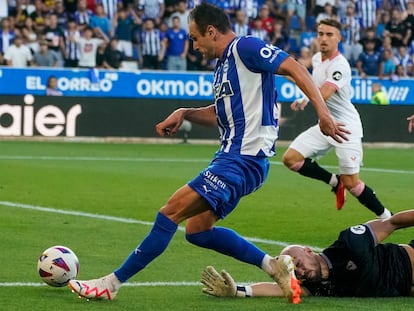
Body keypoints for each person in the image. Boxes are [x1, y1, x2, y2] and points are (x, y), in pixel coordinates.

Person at [68, 2, 348, 303]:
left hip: (243, 160)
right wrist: (186, 112)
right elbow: (221, 114)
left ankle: (111, 283)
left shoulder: (245, 47)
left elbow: (293, 67)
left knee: (169, 213)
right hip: (233, 159)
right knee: (198, 230)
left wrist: (323, 113)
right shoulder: (224, 66)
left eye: (194, 37)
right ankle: (273, 266)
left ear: (211, 31)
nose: (194, 45)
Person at [282, 19, 392, 219]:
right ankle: (335, 182)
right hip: (325, 124)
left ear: (339, 38)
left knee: (352, 183)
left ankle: (387, 217)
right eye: (321, 34)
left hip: (344, 127)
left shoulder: (340, 66)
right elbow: (307, 81)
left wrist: (305, 96)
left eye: (329, 34)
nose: (324, 38)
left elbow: (324, 93)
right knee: (290, 159)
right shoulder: (317, 59)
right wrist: (299, 92)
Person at [200, 209, 414, 299]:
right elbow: (278, 289)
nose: (299, 271)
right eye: (294, 270)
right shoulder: (316, 285)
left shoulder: (350, 242)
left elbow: (392, 222)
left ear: (309, 251)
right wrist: (237, 291)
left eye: (298, 263)